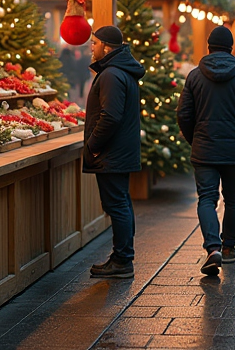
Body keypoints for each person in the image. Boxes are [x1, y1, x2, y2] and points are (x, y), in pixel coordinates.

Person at [177, 26, 235, 277]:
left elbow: (184, 113)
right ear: (231, 49)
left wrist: (193, 138)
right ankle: (228, 248)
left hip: (204, 147)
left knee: (207, 198)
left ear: (209, 47)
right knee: (233, 197)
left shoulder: (195, 76)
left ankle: (212, 247)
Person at [84, 26, 145, 279]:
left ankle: (122, 260)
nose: (91, 47)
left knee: (117, 204)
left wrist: (92, 146)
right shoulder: (120, 71)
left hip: (111, 152)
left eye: (94, 42)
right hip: (120, 150)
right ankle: (122, 257)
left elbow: (110, 116)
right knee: (121, 203)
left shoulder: (111, 74)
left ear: (107, 47)